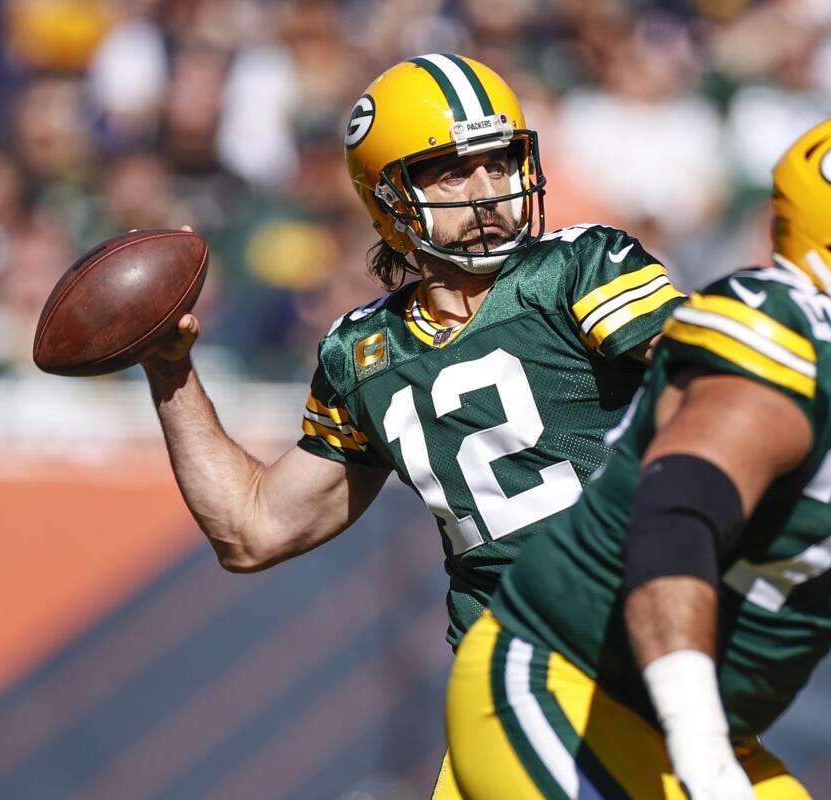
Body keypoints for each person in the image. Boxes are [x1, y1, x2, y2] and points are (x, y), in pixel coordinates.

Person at [445, 107, 831, 799]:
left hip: (703, 726)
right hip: (565, 689)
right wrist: (699, 744)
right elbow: (672, 530)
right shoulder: (781, 349)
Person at [140, 54, 684, 797]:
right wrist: (170, 372)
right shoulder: (362, 352)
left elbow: (713, 384)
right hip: (516, 686)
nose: (489, 192)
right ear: (388, 197)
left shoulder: (581, 266)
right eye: (452, 173)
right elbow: (252, 529)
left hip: (644, 657)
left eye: (499, 163)